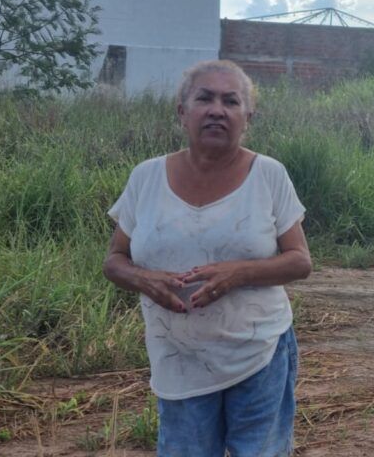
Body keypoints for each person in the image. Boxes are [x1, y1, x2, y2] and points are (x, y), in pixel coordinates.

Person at [103, 59, 310, 457]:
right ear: (182, 112)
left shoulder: (268, 175)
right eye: (205, 99)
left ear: (247, 117)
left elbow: (300, 261)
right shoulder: (146, 177)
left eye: (231, 101)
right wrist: (143, 279)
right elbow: (114, 260)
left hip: (258, 353)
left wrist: (240, 273)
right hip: (179, 358)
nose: (217, 110)